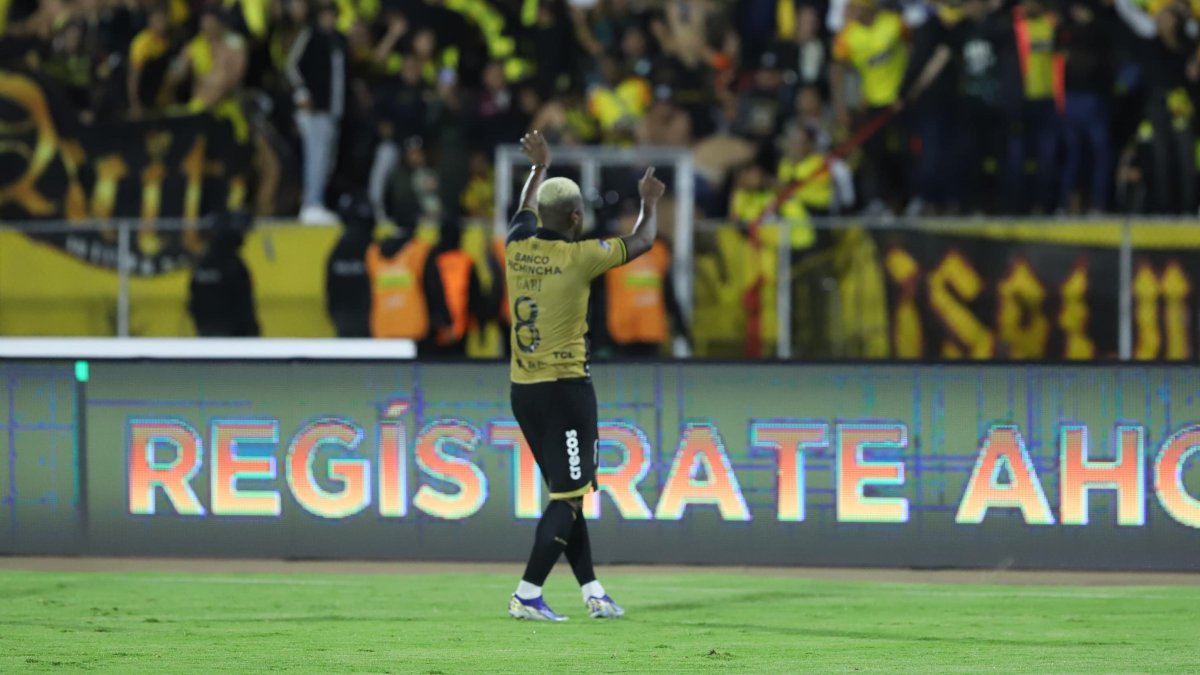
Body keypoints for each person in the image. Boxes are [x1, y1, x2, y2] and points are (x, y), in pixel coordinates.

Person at [505, 130, 665, 621]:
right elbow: (644, 239)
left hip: (524, 390)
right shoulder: (580, 257)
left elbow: (523, 208)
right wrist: (649, 202)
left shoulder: (515, 246)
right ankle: (527, 593)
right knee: (570, 496)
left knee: (565, 493)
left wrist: (538, 168)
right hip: (565, 390)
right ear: (575, 218)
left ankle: (593, 590)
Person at [286, 0, 347, 224]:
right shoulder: (311, 35)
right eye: (326, 15)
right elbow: (292, 65)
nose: (330, 19)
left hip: (333, 109)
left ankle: (317, 201)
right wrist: (302, 94)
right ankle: (311, 204)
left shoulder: (338, 40)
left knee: (327, 159)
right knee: (316, 157)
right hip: (314, 110)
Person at [188, 210, 260, 338]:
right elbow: (245, 306)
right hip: (234, 338)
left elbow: (192, 303)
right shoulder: (234, 265)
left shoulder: (203, 264)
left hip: (205, 333)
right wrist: (252, 332)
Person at [325, 192, 375, 338]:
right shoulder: (374, 249)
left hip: (343, 321)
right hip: (370, 323)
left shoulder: (337, 250)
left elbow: (329, 292)